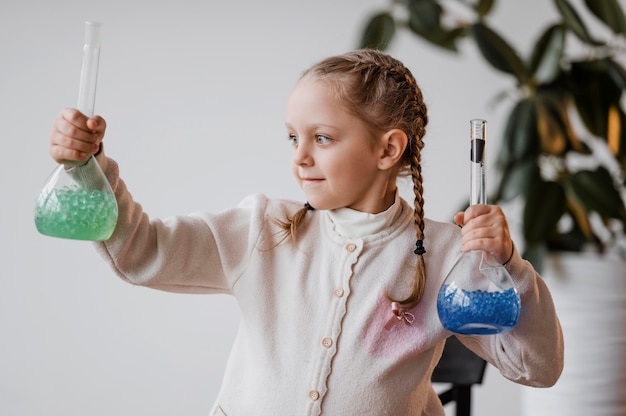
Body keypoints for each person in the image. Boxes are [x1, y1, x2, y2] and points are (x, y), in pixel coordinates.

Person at [48, 49, 564, 415]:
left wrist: (508, 268)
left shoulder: (450, 255)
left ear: (388, 150)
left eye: (322, 137)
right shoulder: (263, 227)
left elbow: (536, 368)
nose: (300, 156)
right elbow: (142, 253)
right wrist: (89, 168)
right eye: (293, 136)